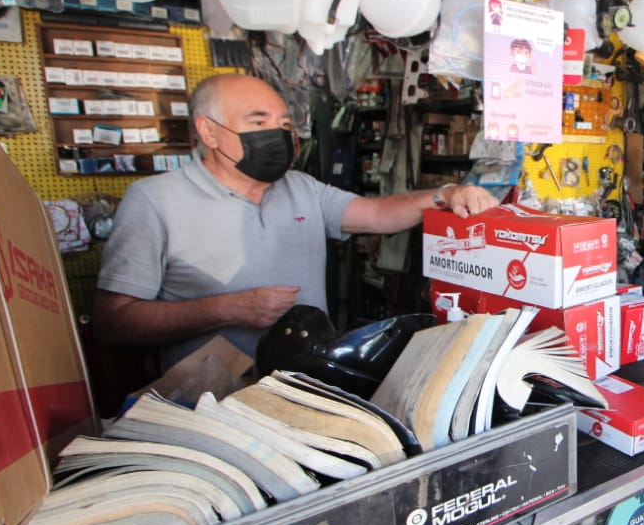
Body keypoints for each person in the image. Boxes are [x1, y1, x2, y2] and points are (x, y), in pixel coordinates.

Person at [93, 73, 500, 368]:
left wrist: (442, 195)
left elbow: (375, 214)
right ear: (209, 132)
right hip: (211, 405)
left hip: (305, 389)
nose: (279, 133)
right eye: (259, 122)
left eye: (284, 123)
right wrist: (226, 309)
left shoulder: (300, 187)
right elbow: (114, 321)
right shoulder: (153, 200)